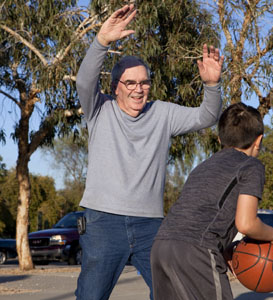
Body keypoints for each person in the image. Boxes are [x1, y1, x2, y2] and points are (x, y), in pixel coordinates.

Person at [74, 4, 224, 300]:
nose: (138, 89)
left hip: (151, 224)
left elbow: (206, 116)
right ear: (115, 86)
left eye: (144, 82)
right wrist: (102, 41)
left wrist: (212, 85)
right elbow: (83, 80)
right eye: (130, 82)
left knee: (171, 293)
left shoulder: (163, 114)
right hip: (103, 222)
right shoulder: (98, 109)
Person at [151, 102, 273, 300]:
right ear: (258, 140)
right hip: (197, 251)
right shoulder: (251, 165)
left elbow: (202, 212)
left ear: (220, 139)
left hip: (161, 246)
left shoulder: (202, 167)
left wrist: (225, 248)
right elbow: (246, 223)